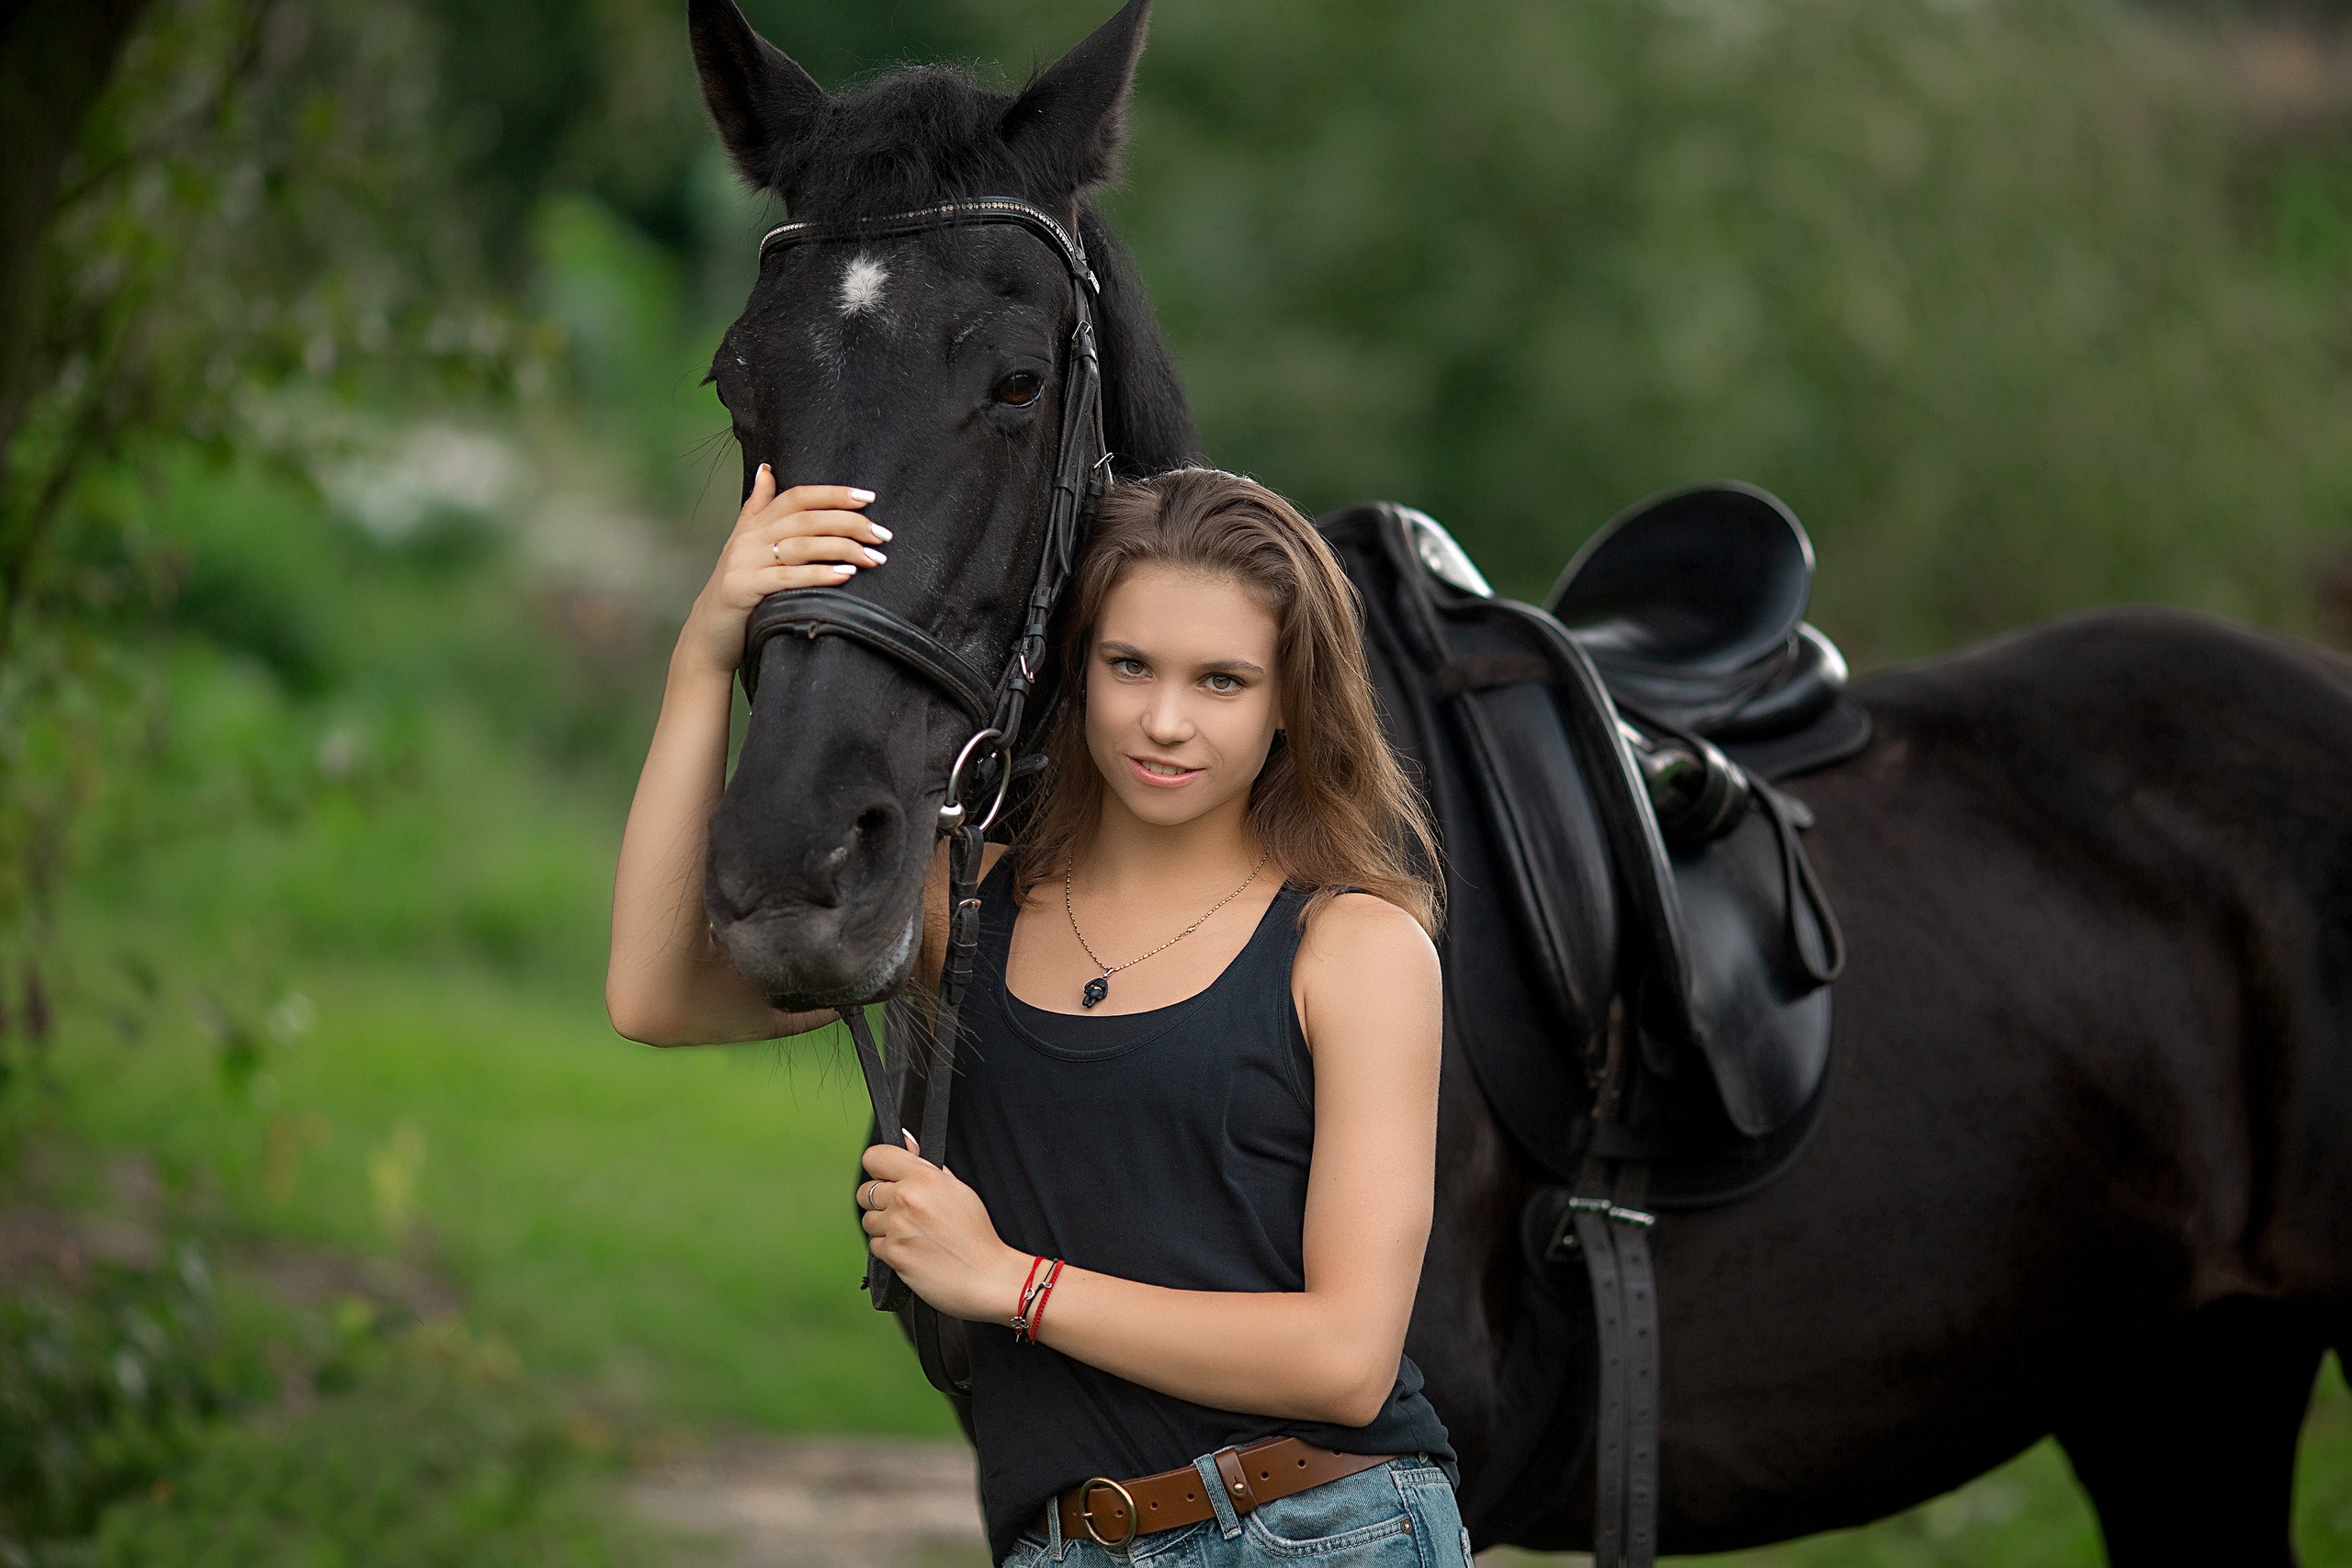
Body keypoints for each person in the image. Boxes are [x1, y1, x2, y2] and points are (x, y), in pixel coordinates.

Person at [608, 465, 1467, 1567]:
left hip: (1324, 1531)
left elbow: (1346, 1356)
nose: (1164, 720)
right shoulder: (958, 914)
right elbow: (653, 991)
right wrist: (705, 652)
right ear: (1076, 669)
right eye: (1129, 666)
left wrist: (1011, 1283)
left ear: (1291, 701)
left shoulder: (1352, 948)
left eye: (1221, 681)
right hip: (1064, 1544)